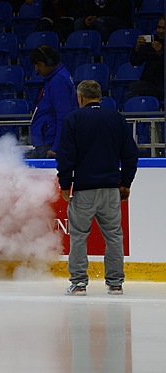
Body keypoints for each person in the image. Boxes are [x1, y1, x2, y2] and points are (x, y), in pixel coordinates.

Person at [56, 80, 138, 296]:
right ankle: (116, 283)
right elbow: (130, 155)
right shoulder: (117, 118)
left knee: (79, 235)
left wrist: (65, 184)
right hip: (111, 188)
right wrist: (126, 182)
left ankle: (79, 284)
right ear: (100, 96)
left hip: (83, 189)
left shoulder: (73, 119)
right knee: (113, 236)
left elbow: (66, 157)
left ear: (80, 97)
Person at [26, 45, 78, 159]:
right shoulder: (55, 77)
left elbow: (63, 117)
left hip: (50, 143)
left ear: (49, 62)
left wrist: (56, 148)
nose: (36, 69)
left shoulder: (58, 80)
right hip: (47, 141)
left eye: (39, 64)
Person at [128, 16, 165, 101]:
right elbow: (135, 62)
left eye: (163, 28)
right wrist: (137, 48)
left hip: (163, 84)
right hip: (149, 82)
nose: (160, 31)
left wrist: (161, 54)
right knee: (133, 86)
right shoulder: (152, 41)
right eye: (159, 27)